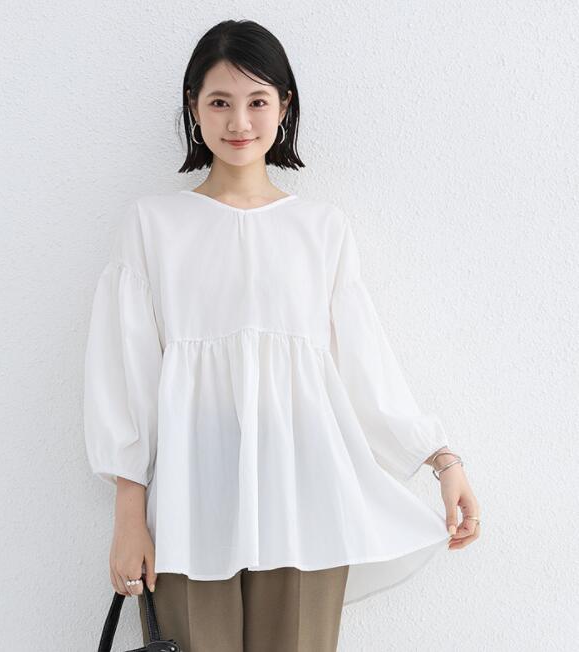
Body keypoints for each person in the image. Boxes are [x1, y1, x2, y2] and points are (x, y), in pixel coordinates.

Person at [83, 19, 481, 652]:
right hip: (192, 504)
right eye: (220, 101)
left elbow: (364, 365)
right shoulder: (153, 225)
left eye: (258, 101)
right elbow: (124, 375)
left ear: (284, 106)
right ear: (193, 107)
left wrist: (442, 460)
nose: (240, 121)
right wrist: (129, 517)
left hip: (307, 502)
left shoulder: (321, 229)